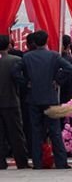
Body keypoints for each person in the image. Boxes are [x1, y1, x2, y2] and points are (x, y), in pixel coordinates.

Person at [12, 30, 72, 169]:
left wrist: (25, 82)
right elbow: (69, 67)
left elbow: (14, 72)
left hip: (33, 97)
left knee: (36, 131)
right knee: (55, 131)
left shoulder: (27, 57)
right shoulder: (53, 56)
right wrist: (57, 80)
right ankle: (61, 162)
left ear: (33, 42)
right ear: (47, 40)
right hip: (50, 97)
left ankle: (37, 162)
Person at [0, 34, 29, 169]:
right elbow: (21, 81)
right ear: (9, 45)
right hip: (11, 100)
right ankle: (21, 162)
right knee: (16, 133)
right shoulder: (15, 60)